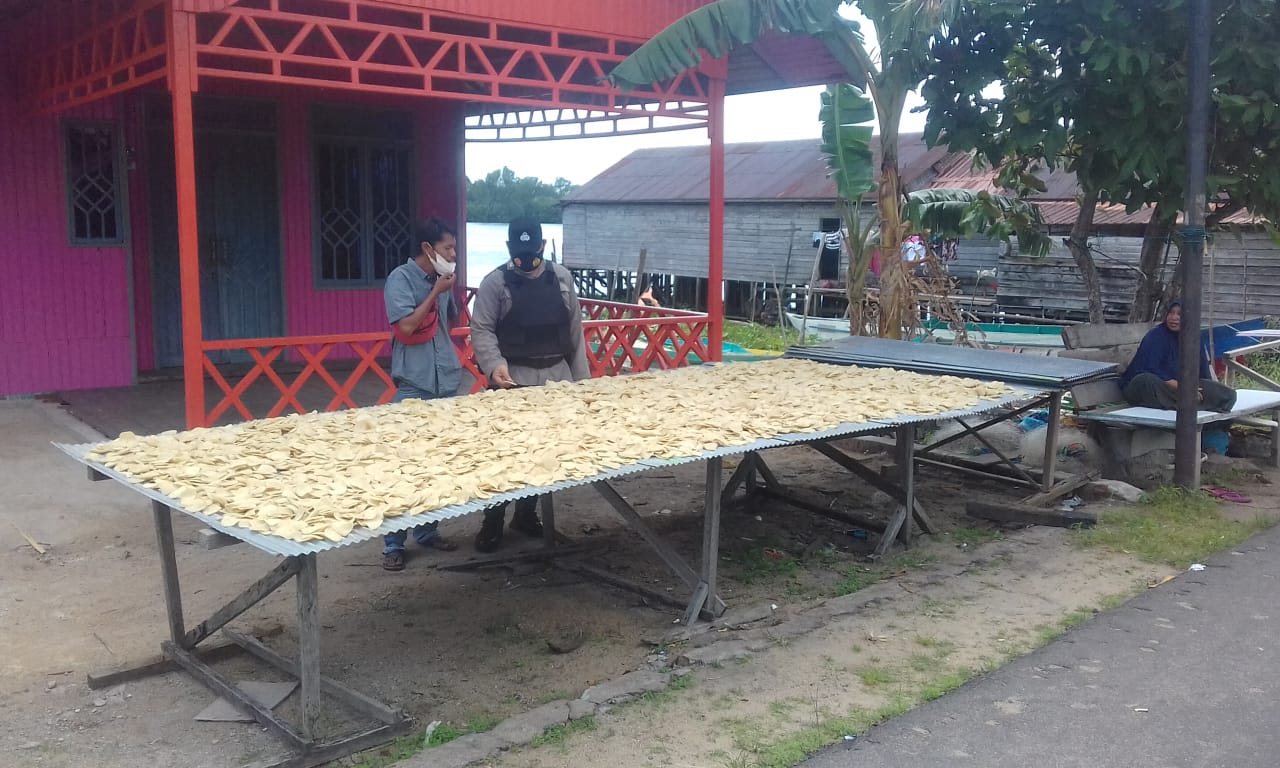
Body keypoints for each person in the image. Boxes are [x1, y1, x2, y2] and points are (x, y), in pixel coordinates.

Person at [469, 216, 591, 552]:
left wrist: (583, 383)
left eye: (532, 250)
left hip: (556, 378)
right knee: (506, 455)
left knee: (545, 454)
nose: (526, 258)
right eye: (519, 252)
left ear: (542, 246)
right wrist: (493, 364)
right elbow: (481, 329)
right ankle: (492, 522)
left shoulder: (561, 278)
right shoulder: (495, 282)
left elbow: (575, 332)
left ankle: (526, 514)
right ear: (510, 248)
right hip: (513, 381)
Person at [380, 217, 463, 570]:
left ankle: (428, 532)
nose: (454, 254)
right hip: (414, 383)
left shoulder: (442, 280)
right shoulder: (400, 279)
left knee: (438, 463)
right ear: (428, 248)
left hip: (446, 380)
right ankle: (393, 544)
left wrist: (444, 291)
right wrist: (434, 294)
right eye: (448, 248)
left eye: (455, 247)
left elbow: (451, 322)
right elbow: (406, 326)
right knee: (403, 465)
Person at [1121, 300, 1236, 413]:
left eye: (1180, 314)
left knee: (1228, 395)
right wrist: (1184, 388)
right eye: (1171, 313)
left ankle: (1186, 403)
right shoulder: (1156, 336)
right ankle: (1189, 404)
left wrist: (1206, 390)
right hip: (1152, 387)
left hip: (1181, 388)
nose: (1174, 317)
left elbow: (1202, 371)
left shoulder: (1194, 338)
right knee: (1145, 380)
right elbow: (1150, 368)